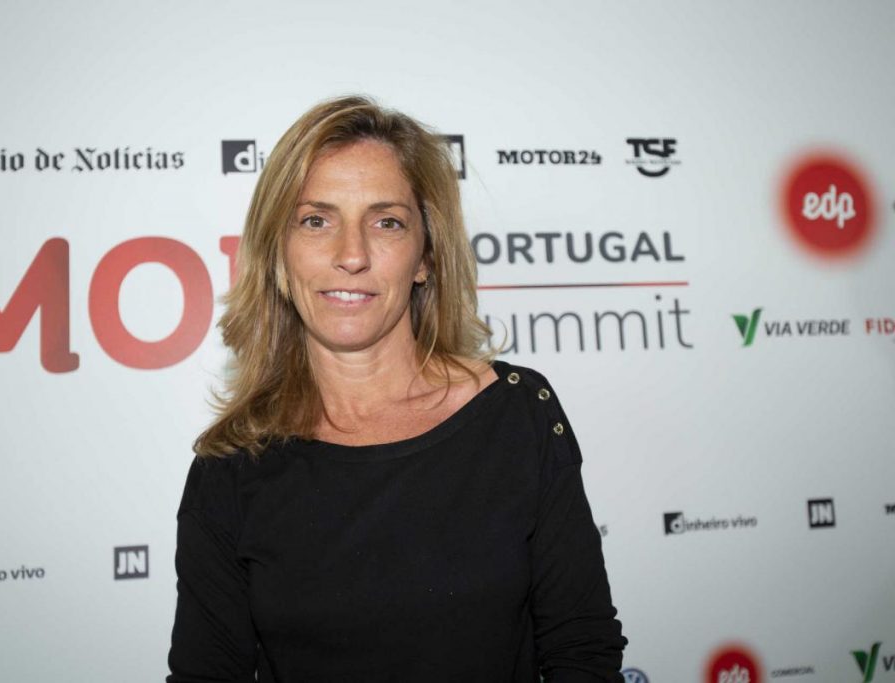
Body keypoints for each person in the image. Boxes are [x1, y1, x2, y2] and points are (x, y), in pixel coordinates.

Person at [167, 95, 626, 682]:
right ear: (278, 254)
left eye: (386, 222)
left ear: (425, 256)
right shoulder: (230, 468)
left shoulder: (519, 417)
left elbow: (583, 653)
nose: (351, 255)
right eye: (316, 220)